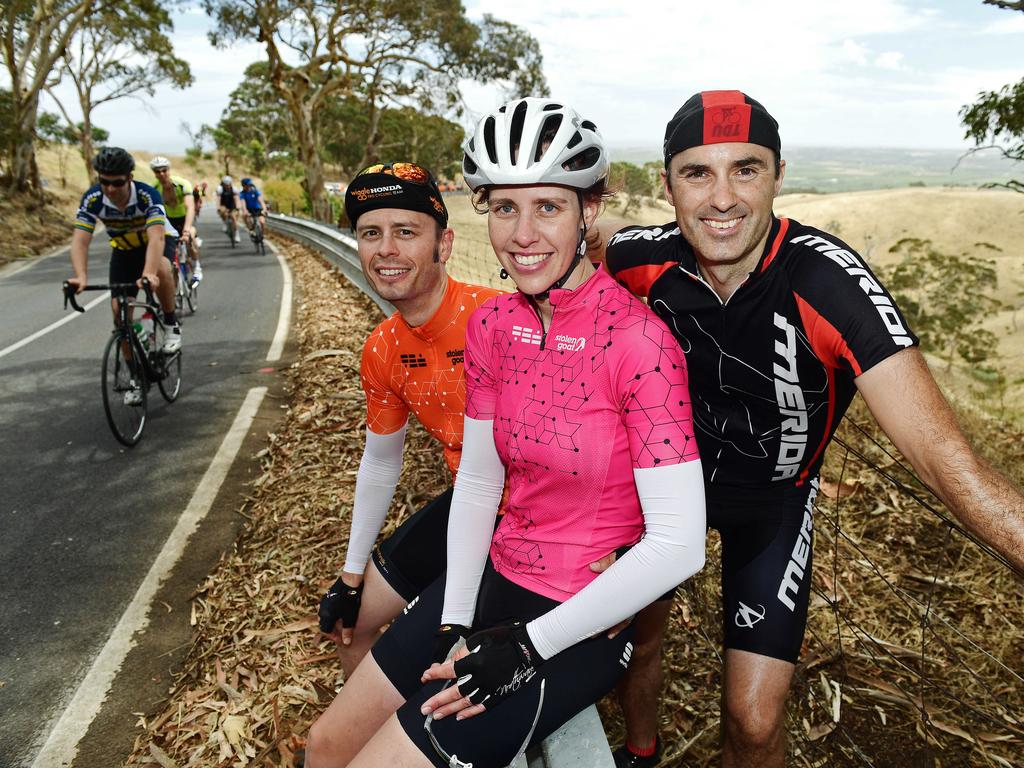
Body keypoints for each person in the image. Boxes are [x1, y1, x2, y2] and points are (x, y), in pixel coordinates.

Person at [603, 90, 1024, 768]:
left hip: (772, 502)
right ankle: (641, 751)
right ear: (667, 184)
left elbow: (955, 467)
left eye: (746, 169)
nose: (722, 198)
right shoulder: (640, 260)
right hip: (667, 485)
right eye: (697, 173)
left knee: (755, 721)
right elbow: (598, 239)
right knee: (636, 641)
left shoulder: (827, 284)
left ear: (779, 174)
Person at [304, 97, 708, 768]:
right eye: (503, 208)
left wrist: (525, 647)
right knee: (325, 747)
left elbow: (678, 545)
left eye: (548, 207)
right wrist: (454, 621)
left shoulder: (641, 344)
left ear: (590, 208)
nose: (523, 234)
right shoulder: (493, 328)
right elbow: (481, 479)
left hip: (578, 621)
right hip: (494, 579)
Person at [316, 161, 502, 677]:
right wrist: (350, 577)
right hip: (467, 501)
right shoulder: (383, 349)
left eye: (405, 232)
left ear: (444, 244)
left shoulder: (500, 317)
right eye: (370, 233)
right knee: (346, 625)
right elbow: (380, 464)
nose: (386, 250)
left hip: (533, 522)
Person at [68, 148, 182, 403]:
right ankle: (136, 379)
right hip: (124, 252)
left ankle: (172, 323)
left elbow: (157, 237)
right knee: (120, 315)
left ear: (129, 178)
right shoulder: (93, 198)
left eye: (116, 182)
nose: (110, 188)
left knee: (162, 268)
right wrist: (81, 277)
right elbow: (80, 242)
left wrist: (149, 274)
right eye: (104, 181)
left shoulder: (146, 195)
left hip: (156, 245)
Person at [150, 156, 202, 282]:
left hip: (185, 218)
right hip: (168, 221)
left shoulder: (182, 184)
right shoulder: (154, 188)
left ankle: (197, 266)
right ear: (154, 174)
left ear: (169, 170)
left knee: (189, 238)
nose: (161, 174)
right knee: (170, 254)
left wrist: (186, 230)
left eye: (164, 170)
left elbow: (190, 207)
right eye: (158, 171)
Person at [217, 175, 241, 242]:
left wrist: (238, 207)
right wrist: (218, 208)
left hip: (232, 205)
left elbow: (236, 199)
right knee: (222, 211)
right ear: (223, 184)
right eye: (226, 184)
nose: (227, 186)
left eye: (228, 184)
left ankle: (237, 234)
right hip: (224, 205)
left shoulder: (234, 189)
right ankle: (225, 222)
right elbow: (218, 200)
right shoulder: (220, 189)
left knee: (233, 217)